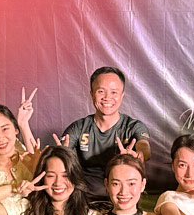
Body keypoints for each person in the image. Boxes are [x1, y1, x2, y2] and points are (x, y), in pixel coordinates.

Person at [60, 66, 150, 206]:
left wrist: (139, 155)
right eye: (101, 91)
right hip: (83, 198)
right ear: (92, 94)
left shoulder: (133, 127)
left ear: (122, 95)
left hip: (122, 199)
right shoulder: (79, 127)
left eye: (114, 92)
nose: (107, 97)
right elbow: (60, 154)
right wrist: (60, 154)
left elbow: (144, 146)